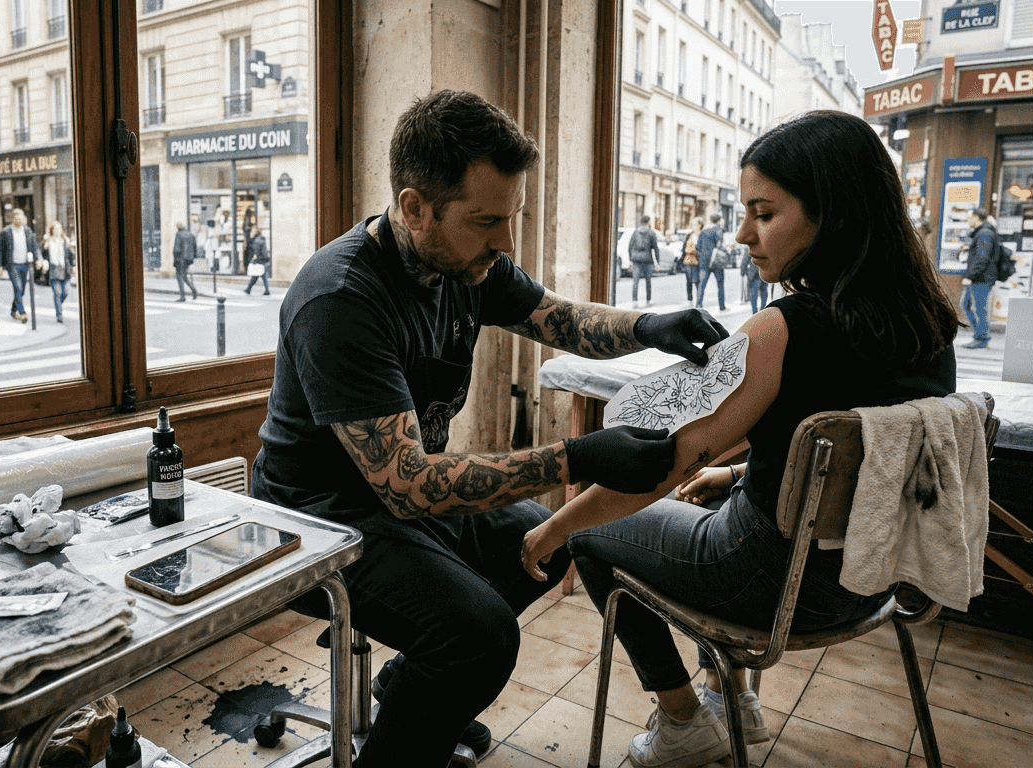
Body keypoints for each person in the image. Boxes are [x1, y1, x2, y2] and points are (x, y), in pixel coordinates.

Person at [250, 89, 729, 768]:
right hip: (314, 522)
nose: (506, 242)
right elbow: (412, 486)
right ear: (414, 207)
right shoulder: (341, 299)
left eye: (514, 217)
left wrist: (649, 327)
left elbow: (559, 319)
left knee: (545, 543)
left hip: (392, 506)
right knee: (479, 634)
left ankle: (412, 698)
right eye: (486, 222)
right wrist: (576, 456)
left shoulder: (467, 264)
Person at [520, 110, 960, 768]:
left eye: (764, 212)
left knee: (591, 535)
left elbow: (662, 464)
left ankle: (683, 722)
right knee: (721, 499)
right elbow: (846, 435)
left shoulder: (780, 330)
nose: (741, 233)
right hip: (875, 576)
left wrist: (550, 528)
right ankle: (734, 702)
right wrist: (734, 473)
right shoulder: (931, 323)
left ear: (831, 213)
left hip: (776, 586)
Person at [961, 207, 998, 349]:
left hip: (981, 278)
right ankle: (979, 335)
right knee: (966, 305)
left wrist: (970, 276)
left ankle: (982, 337)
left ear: (976, 217)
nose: (967, 220)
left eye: (969, 217)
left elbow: (983, 257)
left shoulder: (984, 233)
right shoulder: (983, 233)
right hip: (980, 276)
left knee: (978, 308)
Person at [0, 209, 40, 323]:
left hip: (25, 264)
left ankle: (13, 310)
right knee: (18, 288)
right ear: (13, 219)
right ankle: (22, 313)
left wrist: (39, 259)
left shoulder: (27, 230)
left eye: (22, 218)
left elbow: (34, 246)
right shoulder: (6, 232)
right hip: (13, 265)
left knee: (22, 291)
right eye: (17, 218)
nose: (20, 220)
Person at [40, 222, 76, 323]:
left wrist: (73, 266)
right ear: (52, 231)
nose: (57, 231)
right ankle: (59, 315)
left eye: (59, 228)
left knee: (66, 292)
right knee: (58, 293)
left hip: (65, 271)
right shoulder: (47, 241)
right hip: (53, 270)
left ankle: (58, 305)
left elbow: (70, 255)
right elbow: (43, 254)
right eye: (55, 229)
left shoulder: (66, 241)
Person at [695, 213, 727, 311]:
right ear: (718, 220)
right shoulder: (719, 230)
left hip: (704, 261)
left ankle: (699, 305)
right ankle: (722, 306)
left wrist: (702, 257)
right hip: (716, 262)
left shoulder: (704, 230)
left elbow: (698, 247)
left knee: (702, 284)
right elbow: (719, 245)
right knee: (720, 284)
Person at [629, 215, 659, 305]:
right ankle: (648, 300)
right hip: (647, 259)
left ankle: (634, 302)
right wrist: (657, 262)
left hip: (636, 260)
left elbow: (630, 247)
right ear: (648, 222)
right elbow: (656, 248)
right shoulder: (651, 232)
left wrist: (630, 259)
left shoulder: (635, 232)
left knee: (635, 282)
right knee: (648, 281)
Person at [172, 221, 200, 301]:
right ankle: (193, 290)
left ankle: (182, 296)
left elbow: (176, 249)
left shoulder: (178, 234)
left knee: (179, 276)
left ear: (178, 227)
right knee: (184, 276)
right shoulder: (191, 234)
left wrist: (175, 260)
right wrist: (193, 258)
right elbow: (195, 247)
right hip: (188, 259)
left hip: (180, 258)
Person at [242, 227, 270, 295]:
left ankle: (248, 289)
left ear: (255, 232)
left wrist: (254, 260)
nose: (251, 233)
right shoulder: (261, 238)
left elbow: (256, 252)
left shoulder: (256, 240)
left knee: (255, 275)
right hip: (263, 259)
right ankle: (266, 290)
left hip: (259, 260)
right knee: (262, 276)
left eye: (252, 231)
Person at [682, 216, 703, 304]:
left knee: (697, 281)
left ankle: (699, 301)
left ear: (699, 225)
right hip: (688, 260)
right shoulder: (690, 235)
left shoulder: (702, 235)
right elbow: (684, 247)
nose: (692, 226)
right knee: (688, 281)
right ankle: (689, 299)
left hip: (697, 261)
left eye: (694, 224)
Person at [741, 243, 767, 313]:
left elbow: (745, 261)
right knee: (763, 293)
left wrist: (743, 272)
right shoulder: (765, 245)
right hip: (763, 272)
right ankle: (762, 310)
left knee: (754, 294)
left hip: (754, 274)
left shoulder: (750, 246)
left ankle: (755, 312)